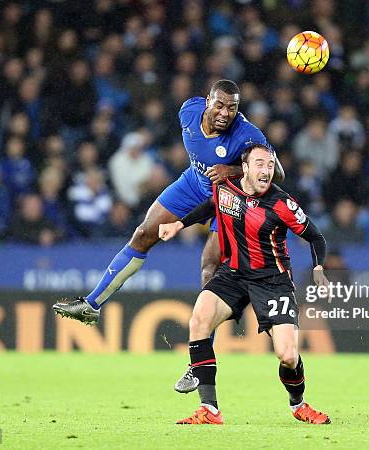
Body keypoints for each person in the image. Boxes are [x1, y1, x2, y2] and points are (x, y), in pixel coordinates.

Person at [53, 79, 283, 324]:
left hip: (229, 199)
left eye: (232, 108)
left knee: (209, 269)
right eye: (220, 105)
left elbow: (277, 173)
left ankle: (201, 358)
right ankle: (92, 304)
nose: (225, 113)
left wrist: (235, 170)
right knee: (143, 234)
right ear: (208, 102)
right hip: (194, 183)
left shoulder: (247, 135)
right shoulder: (188, 111)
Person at [158, 144, 330, 425]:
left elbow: (316, 237)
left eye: (270, 165)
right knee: (199, 320)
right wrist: (179, 224)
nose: (266, 170)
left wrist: (319, 267)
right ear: (246, 168)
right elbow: (211, 206)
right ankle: (209, 410)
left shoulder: (282, 204)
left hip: (272, 281)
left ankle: (298, 404)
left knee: (287, 355)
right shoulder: (226, 188)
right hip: (233, 274)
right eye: (259, 164)